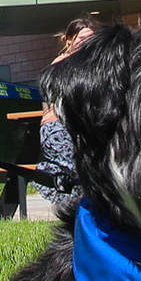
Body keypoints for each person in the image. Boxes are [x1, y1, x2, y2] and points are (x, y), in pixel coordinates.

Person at [33, 17, 102, 205]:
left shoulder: (91, 65)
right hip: (59, 128)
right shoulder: (62, 63)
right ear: (69, 40)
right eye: (81, 39)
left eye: (90, 39)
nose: (86, 44)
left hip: (78, 129)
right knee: (77, 177)